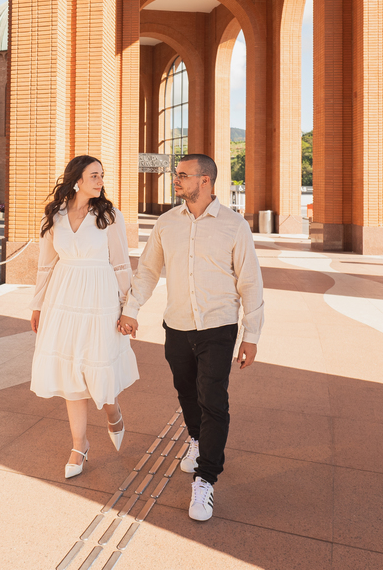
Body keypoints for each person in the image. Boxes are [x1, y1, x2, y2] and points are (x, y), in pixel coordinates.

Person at [119, 153, 263, 522]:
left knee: (213, 400)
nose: (176, 179)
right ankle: (197, 440)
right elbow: (148, 271)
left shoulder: (234, 226)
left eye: (183, 175)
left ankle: (206, 479)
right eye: (176, 174)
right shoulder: (167, 223)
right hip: (178, 326)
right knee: (187, 392)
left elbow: (250, 282)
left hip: (218, 327)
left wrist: (251, 335)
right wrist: (131, 310)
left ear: (205, 181)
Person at [30, 154, 139, 479]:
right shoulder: (55, 215)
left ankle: (112, 410)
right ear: (77, 179)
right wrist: (37, 305)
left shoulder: (109, 216)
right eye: (94, 175)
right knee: (70, 373)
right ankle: (80, 446)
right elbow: (46, 265)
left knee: (98, 365)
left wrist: (128, 309)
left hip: (99, 298)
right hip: (62, 299)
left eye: (102, 175)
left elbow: (121, 264)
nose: (101, 181)